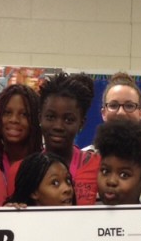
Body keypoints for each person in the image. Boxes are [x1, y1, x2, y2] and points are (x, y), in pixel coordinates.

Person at [37, 73, 100, 206]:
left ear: (81, 124)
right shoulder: (27, 169)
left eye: (68, 120)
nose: (58, 126)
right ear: (40, 118)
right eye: (50, 117)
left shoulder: (98, 166)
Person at [83, 72, 141, 162]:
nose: (121, 112)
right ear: (103, 113)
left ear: (140, 114)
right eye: (113, 105)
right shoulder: (85, 157)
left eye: (129, 106)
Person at [0, 83, 42, 198]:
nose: (14, 120)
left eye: (24, 114)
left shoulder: (45, 165)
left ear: (35, 120)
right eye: (7, 113)